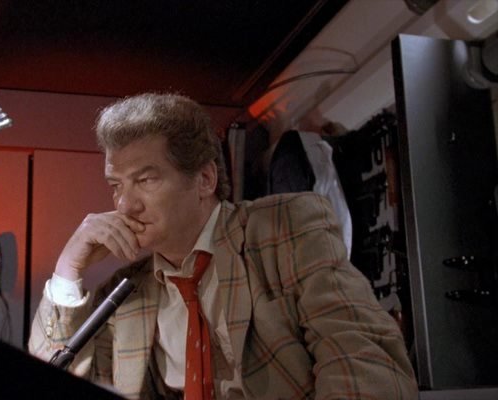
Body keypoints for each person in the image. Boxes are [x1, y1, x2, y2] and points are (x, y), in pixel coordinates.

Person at [28, 93, 418, 399]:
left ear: (205, 179)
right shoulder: (125, 292)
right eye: (117, 186)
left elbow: (361, 359)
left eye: (145, 180)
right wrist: (67, 269)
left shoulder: (285, 228)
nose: (125, 204)